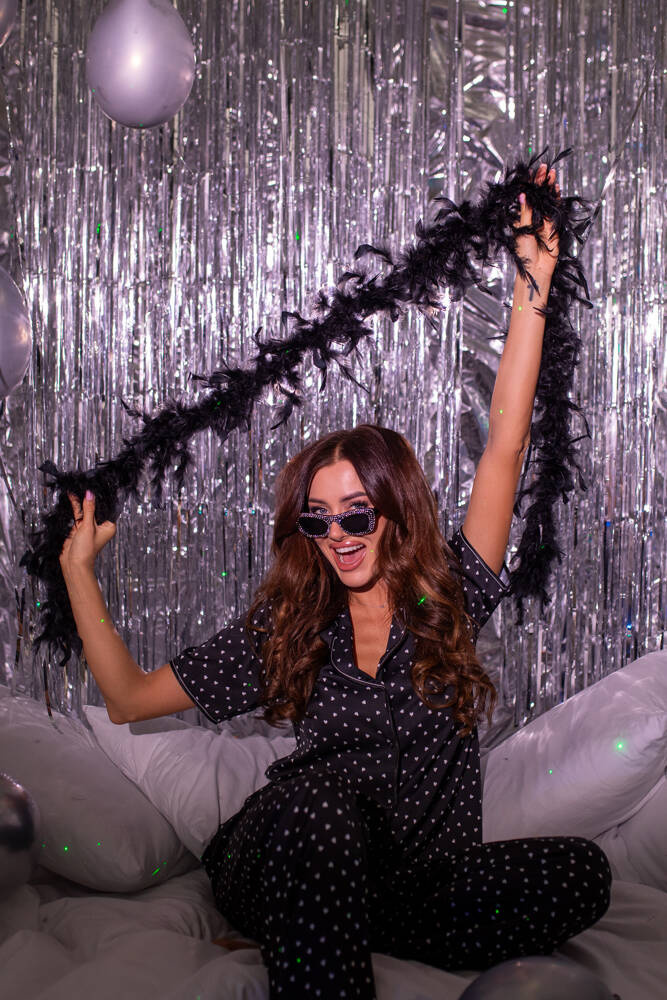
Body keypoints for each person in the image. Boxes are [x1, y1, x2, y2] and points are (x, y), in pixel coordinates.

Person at [59, 163, 611, 999]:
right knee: (321, 801)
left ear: (395, 510)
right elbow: (130, 699)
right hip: (287, 846)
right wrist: (79, 573)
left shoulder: (449, 596)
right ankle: (312, 924)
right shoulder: (290, 626)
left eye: (356, 514)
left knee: (579, 872)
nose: (337, 537)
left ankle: (341, 921)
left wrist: (533, 280)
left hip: (409, 882)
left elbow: (504, 444)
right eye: (317, 521)